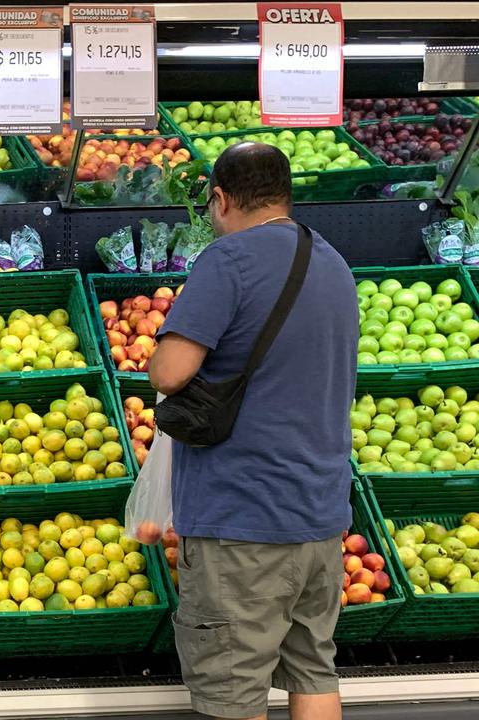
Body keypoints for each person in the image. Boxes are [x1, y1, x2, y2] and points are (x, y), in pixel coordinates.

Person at [148, 142, 358, 720]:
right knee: (314, 670)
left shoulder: (229, 259)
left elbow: (170, 373)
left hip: (244, 519)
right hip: (318, 516)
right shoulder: (334, 263)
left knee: (231, 692)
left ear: (219, 199)